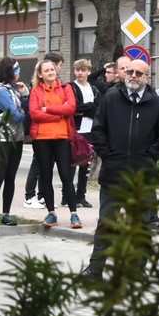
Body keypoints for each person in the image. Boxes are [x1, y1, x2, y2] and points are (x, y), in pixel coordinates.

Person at [84, 57, 159, 277]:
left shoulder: (158, 104)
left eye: (138, 73)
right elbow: (97, 130)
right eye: (130, 72)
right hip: (113, 175)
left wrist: (149, 157)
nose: (133, 76)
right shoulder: (111, 98)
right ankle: (95, 270)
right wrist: (107, 155)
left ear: (147, 77)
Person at [26, 58, 82, 227]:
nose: (51, 72)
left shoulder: (66, 88)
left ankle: (74, 214)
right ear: (40, 74)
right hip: (41, 139)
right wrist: (60, 114)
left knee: (66, 175)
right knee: (45, 176)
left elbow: (71, 108)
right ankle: (51, 213)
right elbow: (35, 114)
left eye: (52, 69)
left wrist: (48, 109)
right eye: (47, 70)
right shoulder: (36, 91)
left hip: (62, 138)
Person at [0, 59, 27, 237]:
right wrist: (25, 106)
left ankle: (6, 213)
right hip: (2, 138)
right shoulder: (1, 91)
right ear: (11, 72)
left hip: (17, 138)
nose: (19, 74)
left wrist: (23, 99)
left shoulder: (14, 90)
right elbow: (14, 115)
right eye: (17, 71)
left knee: (10, 177)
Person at [70, 58, 99, 209]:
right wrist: (89, 108)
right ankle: (67, 196)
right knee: (72, 164)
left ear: (88, 71)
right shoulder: (71, 87)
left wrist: (89, 109)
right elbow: (74, 107)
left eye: (83, 70)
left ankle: (81, 195)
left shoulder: (92, 88)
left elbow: (98, 107)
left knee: (85, 165)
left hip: (89, 131)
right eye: (77, 70)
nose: (80, 73)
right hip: (76, 130)